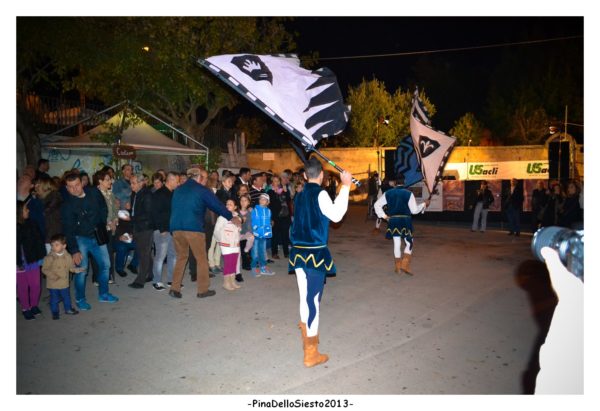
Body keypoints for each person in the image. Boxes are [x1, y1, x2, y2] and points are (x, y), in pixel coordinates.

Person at [288, 157, 352, 367]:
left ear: (305, 176)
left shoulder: (298, 195)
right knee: (312, 300)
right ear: (322, 176)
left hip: (298, 253)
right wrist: (346, 187)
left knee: (305, 297)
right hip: (314, 254)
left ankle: (307, 335)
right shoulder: (321, 193)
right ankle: (311, 352)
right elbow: (336, 215)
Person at [168, 167, 238, 299]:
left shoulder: (178, 189)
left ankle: (174, 288)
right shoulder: (201, 190)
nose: (206, 181)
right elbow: (217, 205)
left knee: (181, 257)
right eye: (205, 178)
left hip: (176, 228)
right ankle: (203, 290)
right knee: (201, 259)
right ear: (199, 177)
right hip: (193, 229)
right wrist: (231, 216)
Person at [60, 172, 118, 310]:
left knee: (106, 265)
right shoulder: (67, 205)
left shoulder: (93, 192)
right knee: (82, 270)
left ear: (82, 183)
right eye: (71, 187)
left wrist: (102, 222)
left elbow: (103, 207)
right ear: (67, 188)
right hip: (81, 239)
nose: (75, 189)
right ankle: (80, 299)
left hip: (97, 235)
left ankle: (103, 294)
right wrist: (74, 250)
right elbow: (68, 230)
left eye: (77, 185)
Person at [374, 174, 429, 274]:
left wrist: (385, 216)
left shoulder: (388, 193)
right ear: (404, 182)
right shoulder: (408, 193)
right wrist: (424, 204)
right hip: (405, 221)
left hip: (393, 221)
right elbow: (414, 210)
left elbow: (376, 205)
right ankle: (405, 263)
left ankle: (398, 267)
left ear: (395, 182)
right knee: (409, 242)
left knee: (397, 243)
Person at [17, 200, 46, 320]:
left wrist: (42, 255)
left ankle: (34, 305)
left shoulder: (32, 223)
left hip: (33, 260)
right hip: (19, 263)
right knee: (22, 287)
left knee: (36, 285)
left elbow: (39, 241)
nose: (28, 210)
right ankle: (25, 308)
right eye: (25, 209)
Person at [150, 171, 178, 291]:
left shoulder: (172, 193)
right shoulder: (159, 194)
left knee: (173, 255)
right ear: (170, 180)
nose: (177, 183)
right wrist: (161, 228)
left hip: (172, 229)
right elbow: (154, 213)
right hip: (162, 230)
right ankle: (156, 281)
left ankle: (171, 280)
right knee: (160, 256)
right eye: (176, 181)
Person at [42, 234, 80, 320]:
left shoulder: (68, 256)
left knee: (66, 297)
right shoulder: (49, 257)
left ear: (64, 246)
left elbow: (70, 267)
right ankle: (55, 312)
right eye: (52, 245)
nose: (53, 247)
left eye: (56, 245)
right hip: (53, 283)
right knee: (54, 299)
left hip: (64, 282)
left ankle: (68, 309)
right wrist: (53, 276)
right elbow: (44, 269)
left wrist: (76, 270)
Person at [127, 174, 154, 289]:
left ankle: (140, 280)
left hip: (145, 228)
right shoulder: (135, 194)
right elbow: (135, 210)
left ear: (141, 183)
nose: (131, 185)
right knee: (144, 252)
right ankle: (150, 273)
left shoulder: (147, 195)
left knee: (143, 254)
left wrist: (131, 218)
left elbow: (148, 215)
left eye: (133, 183)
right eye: (131, 183)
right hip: (137, 227)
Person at [94, 169, 118, 284]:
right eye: (107, 180)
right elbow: (97, 213)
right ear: (100, 181)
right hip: (101, 228)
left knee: (109, 252)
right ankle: (100, 276)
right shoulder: (95, 195)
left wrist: (115, 220)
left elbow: (115, 209)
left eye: (110, 179)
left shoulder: (110, 194)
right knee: (100, 254)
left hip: (110, 228)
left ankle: (108, 275)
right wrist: (109, 222)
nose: (110, 182)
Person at [213, 198, 242, 291]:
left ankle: (232, 281)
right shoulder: (222, 217)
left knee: (234, 262)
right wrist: (221, 240)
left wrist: (239, 227)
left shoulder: (237, 217)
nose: (228, 205)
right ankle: (226, 283)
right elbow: (217, 230)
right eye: (227, 204)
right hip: (226, 244)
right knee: (228, 262)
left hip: (235, 243)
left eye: (230, 204)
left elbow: (239, 229)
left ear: (235, 207)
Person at [34, 176, 63, 252]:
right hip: (47, 236)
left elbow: (44, 213)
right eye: (35, 184)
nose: (35, 187)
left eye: (38, 185)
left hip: (53, 237)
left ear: (45, 186)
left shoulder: (54, 197)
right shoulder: (41, 198)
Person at [268, 175, 292, 260]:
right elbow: (271, 205)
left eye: (278, 181)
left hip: (285, 216)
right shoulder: (270, 192)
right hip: (276, 217)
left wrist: (286, 192)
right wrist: (275, 193)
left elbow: (288, 201)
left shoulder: (284, 190)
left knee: (285, 235)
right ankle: (274, 253)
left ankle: (286, 252)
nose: (277, 183)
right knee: (275, 236)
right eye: (275, 181)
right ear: (272, 182)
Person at [251, 193, 274, 276]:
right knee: (255, 252)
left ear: (267, 202)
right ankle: (254, 268)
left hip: (264, 235)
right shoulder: (255, 210)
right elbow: (252, 222)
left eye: (264, 199)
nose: (261, 200)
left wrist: (268, 230)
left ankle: (263, 267)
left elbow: (268, 222)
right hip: (256, 234)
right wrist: (255, 230)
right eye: (260, 198)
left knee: (262, 251)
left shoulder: (269, 211)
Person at [238, 193, 253, 279]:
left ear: (248, 202)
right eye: (241, 200)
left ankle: (246, 264)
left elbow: (251, 223)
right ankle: (241, 265)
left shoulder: (250, 211)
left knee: (246, 250)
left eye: (245, 201)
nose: (243, 202)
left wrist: (252, 232)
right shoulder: (237, 212)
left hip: (247, 233)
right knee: (239, 250)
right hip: (239, 233)